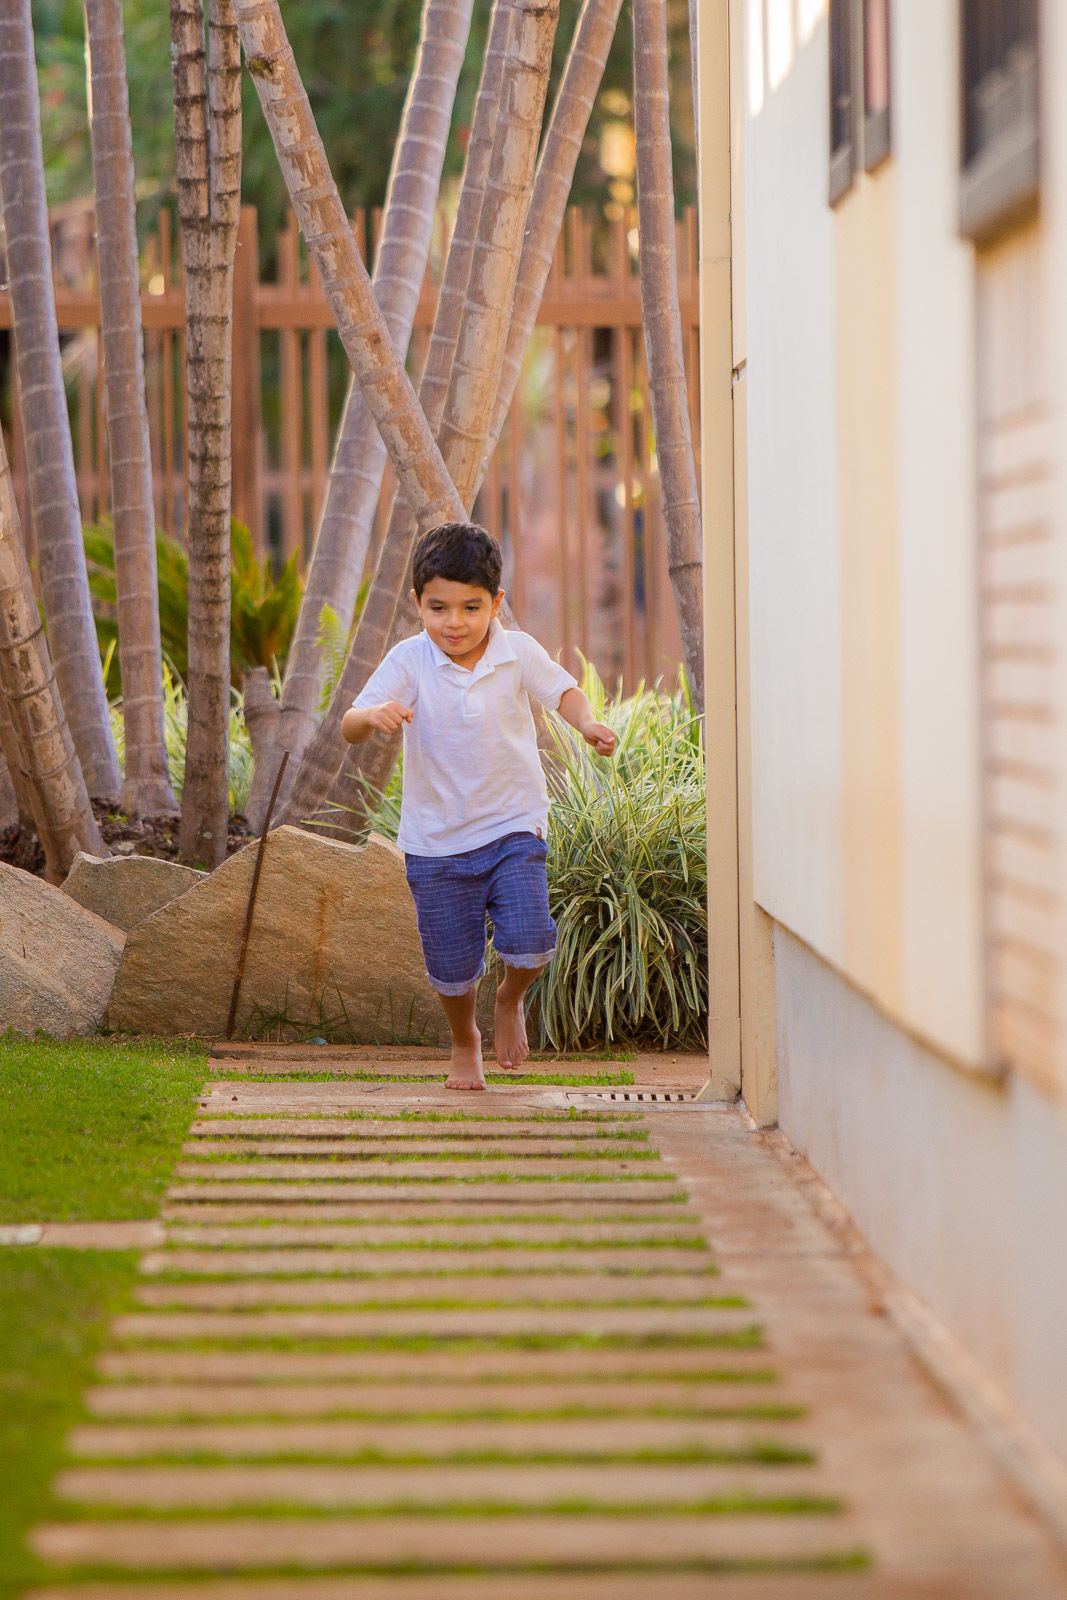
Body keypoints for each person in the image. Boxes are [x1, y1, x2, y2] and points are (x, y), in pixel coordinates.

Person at [341, 521, 617, 1090]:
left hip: (513, 824)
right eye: (439, 608)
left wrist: (586, 723)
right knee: (450, 966)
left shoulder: (517, 653)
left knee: (531, 941)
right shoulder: (410, 660)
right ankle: (464, 1039)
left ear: (496, 603)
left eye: (471, 608)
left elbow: (563, 690)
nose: (455, 623)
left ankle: (510, 998)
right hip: (436, 841)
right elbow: (350, 724)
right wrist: (373, 717)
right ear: (417, 603)